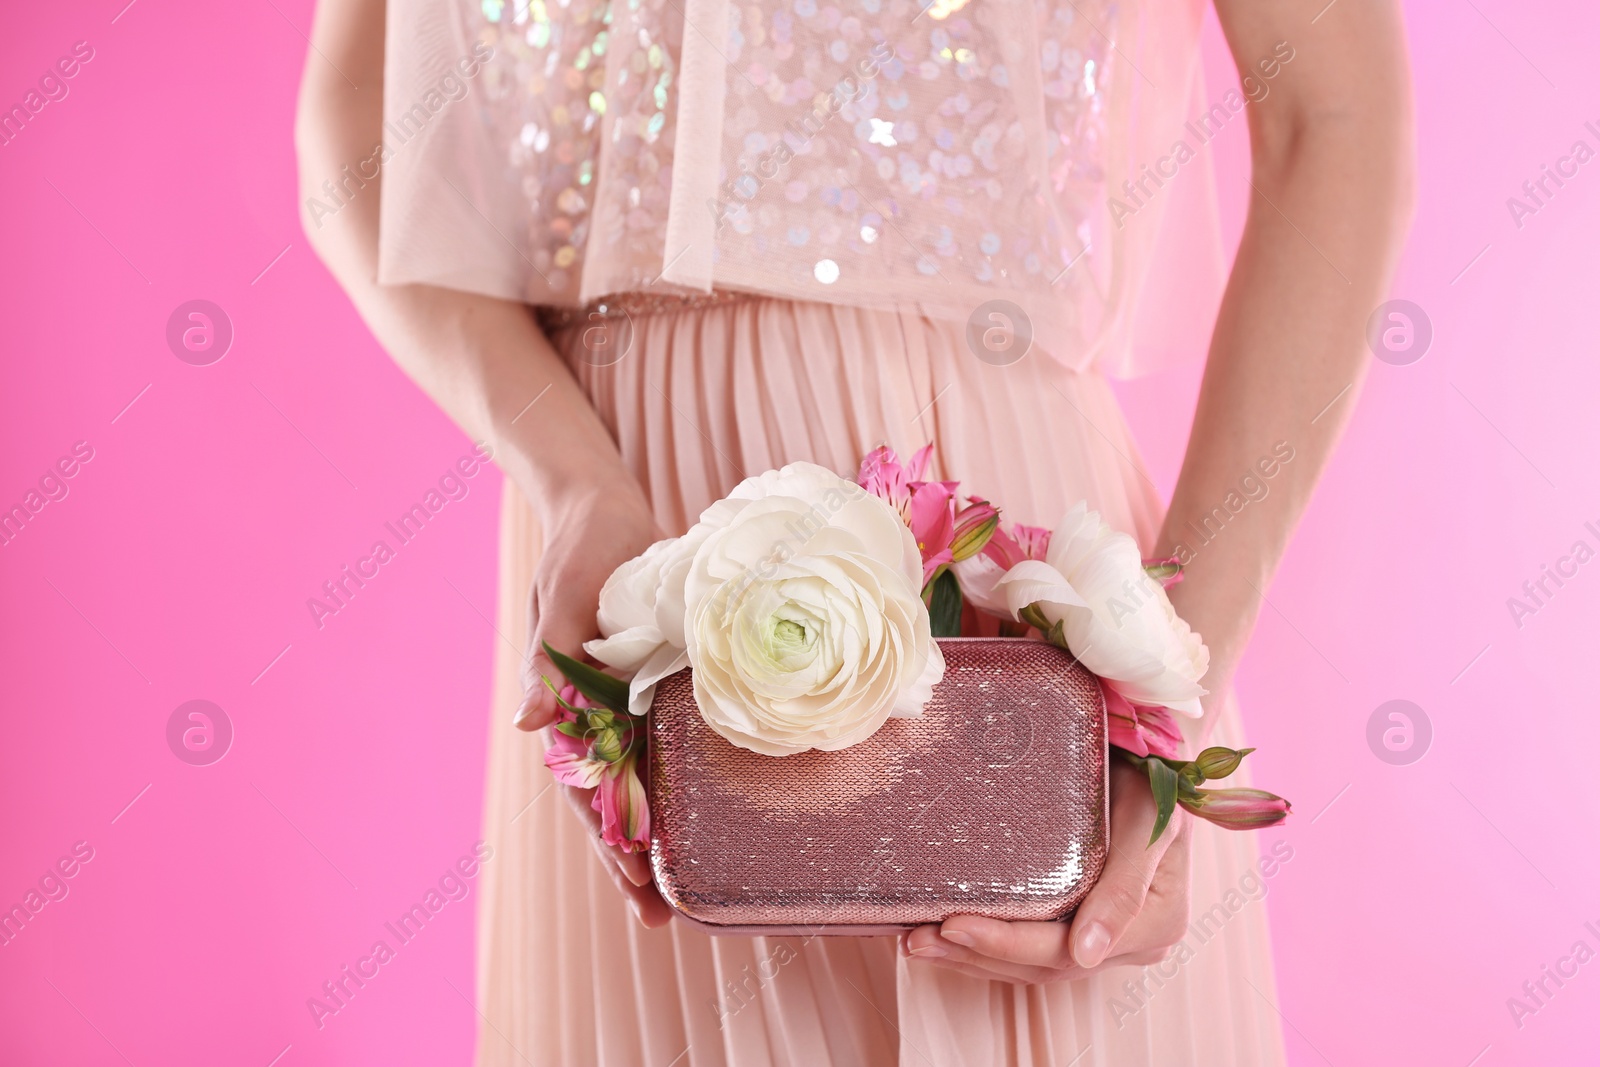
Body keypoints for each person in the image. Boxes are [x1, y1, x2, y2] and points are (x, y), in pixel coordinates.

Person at [296, 0, 1412, 1060]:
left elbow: (1335, 117)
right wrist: (577, 482)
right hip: (625, 581)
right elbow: (358, 135)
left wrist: (1167, 689)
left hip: (1005, 569)